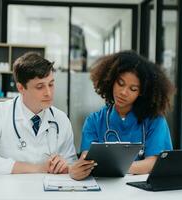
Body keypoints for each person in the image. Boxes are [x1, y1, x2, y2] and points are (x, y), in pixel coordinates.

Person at [69, 50, 175, 180]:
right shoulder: (94, 121)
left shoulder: (155, 121)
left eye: (133, 89)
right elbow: (88, 161)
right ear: (111, 80)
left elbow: (153, 163)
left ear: (142, 92)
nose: (124, 92)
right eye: (120, 83)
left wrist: (112, 166)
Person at [0, 52, 77, 175]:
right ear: (21, 88)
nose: (48, 93)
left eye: (51, 84)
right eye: (40, 87)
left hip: (48, 192)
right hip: (6, 192)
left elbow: (72, 163)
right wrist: (37, 168)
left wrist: (66, 166)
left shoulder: (61, 119)